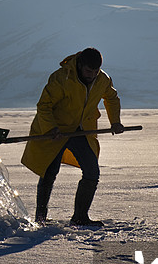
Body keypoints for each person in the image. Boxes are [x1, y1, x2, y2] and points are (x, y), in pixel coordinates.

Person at [20, 48, 124, 227]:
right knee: (49, 172)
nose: (92, 75)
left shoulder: (103, 79)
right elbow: (44, 105)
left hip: (81, 131)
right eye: (88, 71)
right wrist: (51, 128)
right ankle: (40, 218)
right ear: (80, 65)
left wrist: (115, 122)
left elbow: (112, 98)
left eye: (95, 71)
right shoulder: (61, 78)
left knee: (92, 172)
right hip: (55, 131)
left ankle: (80, 217)